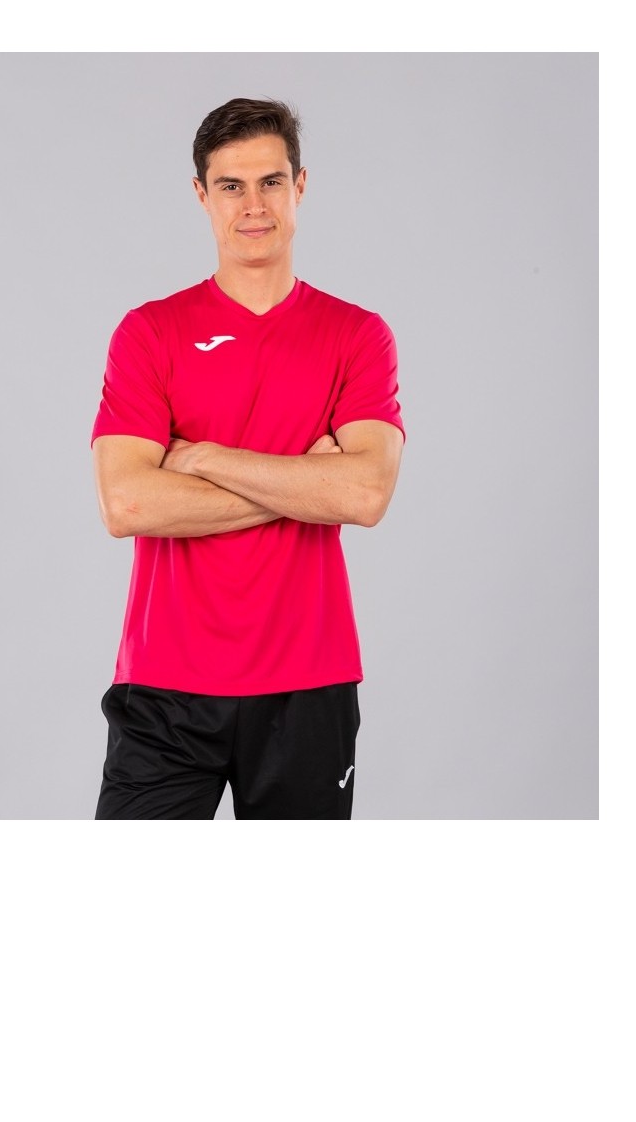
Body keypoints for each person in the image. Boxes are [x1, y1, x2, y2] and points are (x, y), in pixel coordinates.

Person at [90, 97, 405, 819]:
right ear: (202, 195)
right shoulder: (150, 332)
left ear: (300, 186)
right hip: (166, 682)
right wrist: (306, 479)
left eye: (271, 182)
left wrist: (200, 457)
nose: (253, 205)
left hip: (309, 680)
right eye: (231, 185)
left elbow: (363, 495)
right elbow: (128, 503)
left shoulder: (357, 335)